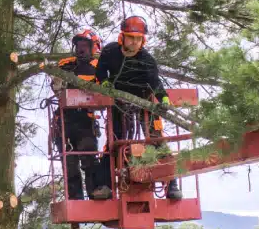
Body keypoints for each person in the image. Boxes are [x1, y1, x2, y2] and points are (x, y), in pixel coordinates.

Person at [95, 16, 183, 199]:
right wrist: (104, 83)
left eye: (138, 39)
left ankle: (171, 186)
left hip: (145, 101)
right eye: (131, 38)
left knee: (157, 141)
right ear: (122, 37)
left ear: (143, 40)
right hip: (118, 101)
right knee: (115, 141)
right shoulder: (110, 52)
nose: (134, 42)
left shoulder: (147, 60)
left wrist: (164, 99)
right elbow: (101, 70)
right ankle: (105, 185)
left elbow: (155, 83)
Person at [51, 29, 110, 200]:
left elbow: (104, 95)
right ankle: (75, 198)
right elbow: (56, 85)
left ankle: (95, 192)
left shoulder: (100, 68)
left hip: (86, 120)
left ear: (95, 47)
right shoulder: (65, 64)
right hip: (65, 119)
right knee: (69, 162)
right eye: (78, 45)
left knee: (90, 157)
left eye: (85, 45)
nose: (81, 49)